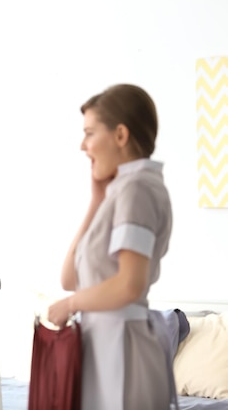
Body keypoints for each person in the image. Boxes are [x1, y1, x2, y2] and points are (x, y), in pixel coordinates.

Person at [48, 84, 175, 410]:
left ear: (120, 135)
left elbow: (129, 285)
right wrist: (96, 201)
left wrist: (70, 305)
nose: (82, 145)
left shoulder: (137, 189)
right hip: (104, 345)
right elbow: (69, 277)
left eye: (90, 133)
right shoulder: (121, 192)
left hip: (122, 350)